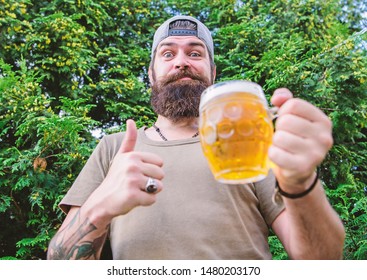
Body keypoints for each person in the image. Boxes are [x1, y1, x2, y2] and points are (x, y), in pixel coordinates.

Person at [47, 15, 345, 260]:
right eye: (167, 53)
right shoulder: (114, 148)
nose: (181, 62)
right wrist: (98, 209)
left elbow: (321, 261)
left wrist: (301, 183)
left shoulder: (249, 144)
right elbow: (60, 265)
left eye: (195, 53)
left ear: (212, 73)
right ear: (151, 73)